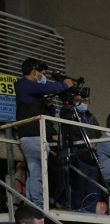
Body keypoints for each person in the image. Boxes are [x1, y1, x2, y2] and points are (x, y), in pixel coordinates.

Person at [14, 58, 77, 206]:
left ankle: (32, 202)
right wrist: (64, 84)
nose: (43, 77)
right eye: (41, 73)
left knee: (34, 171)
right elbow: (51, 89)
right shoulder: (25, 84)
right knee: (37, 172)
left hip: (30, 136)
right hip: (33, 136)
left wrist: (48, 104)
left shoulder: (28, 90)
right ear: (34, 72)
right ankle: (38, 203)